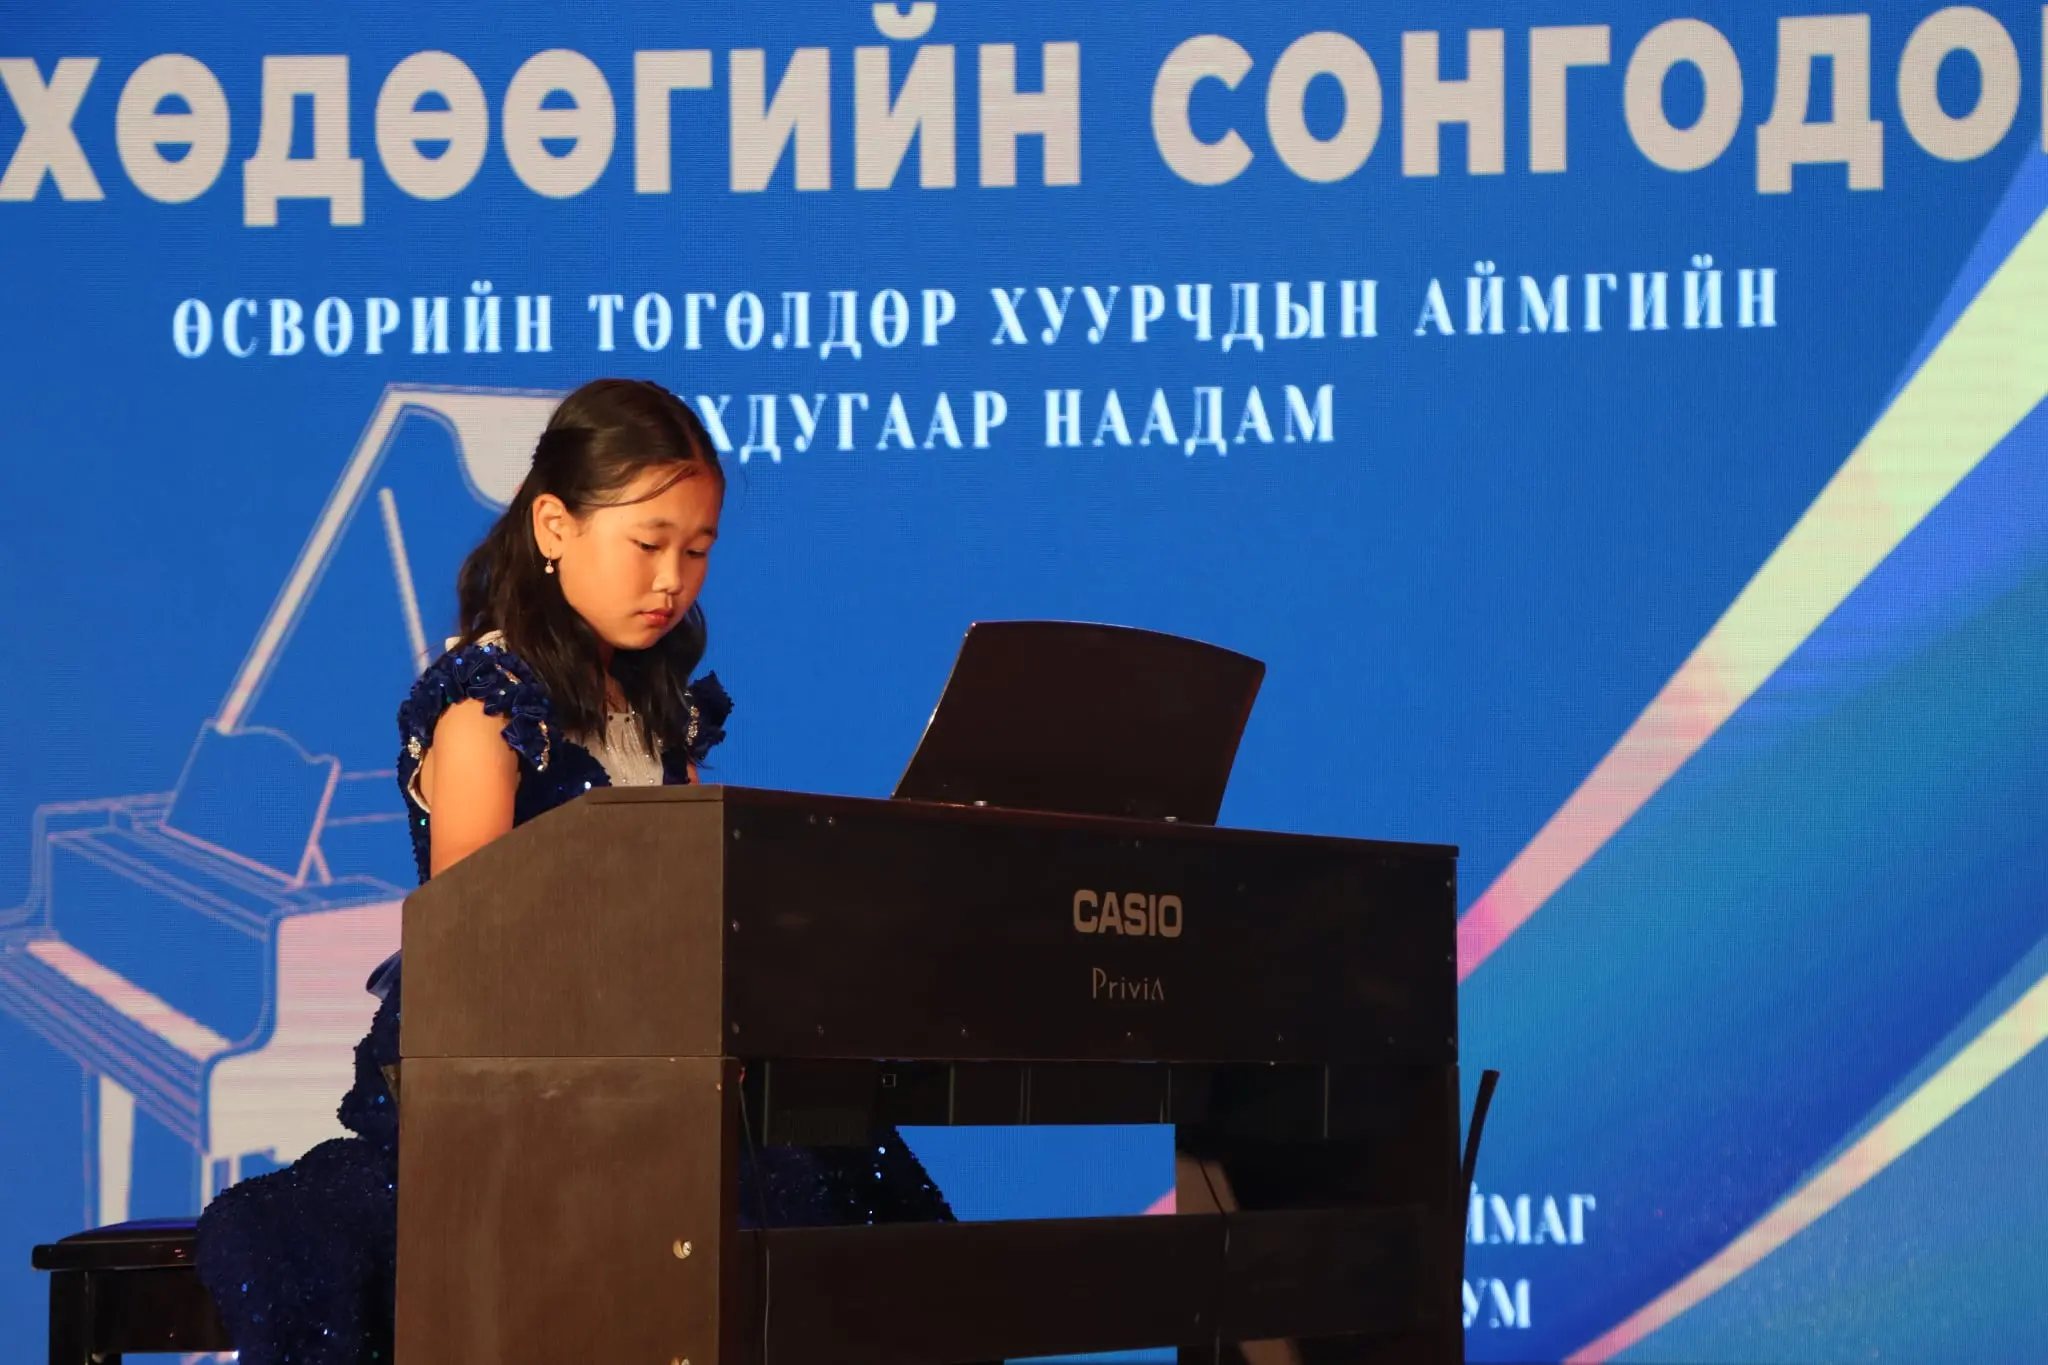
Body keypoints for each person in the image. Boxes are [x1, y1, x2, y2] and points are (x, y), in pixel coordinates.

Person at [195, 379, 956, 1365]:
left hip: (649, 1066)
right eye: (647, 543)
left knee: (854, 1174)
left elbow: (694, 904)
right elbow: (475, 955)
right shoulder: (488, 705)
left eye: (698, 549)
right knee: (761, 1201)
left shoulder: (657, 708)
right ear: (554, 526)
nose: (672, 579)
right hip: (508, 1088)